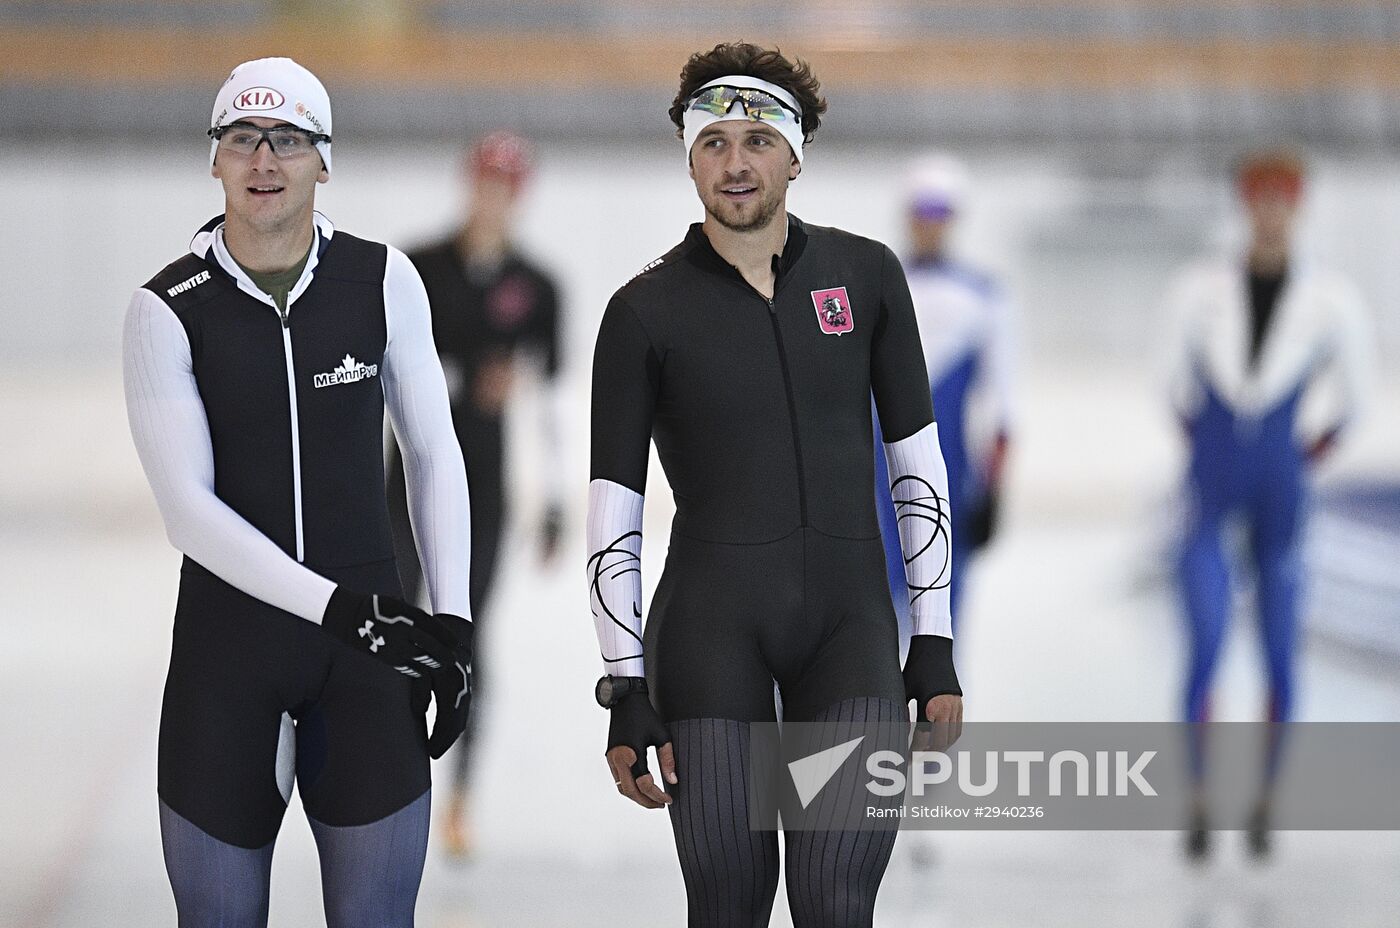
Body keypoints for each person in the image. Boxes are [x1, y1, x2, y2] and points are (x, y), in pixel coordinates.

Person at [585, 43, 964, 927]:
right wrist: (624, 685)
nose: (735, 162)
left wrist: (934, 640)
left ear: (796, 153)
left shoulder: (867, 278)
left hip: (851, 632)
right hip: (710, 638)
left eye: (757, 140)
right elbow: (615, 512)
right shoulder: (643, 312)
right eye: (712, 143)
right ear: (689, 158)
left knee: (836, 901)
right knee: (728, 903)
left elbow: (918, 465)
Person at [122, 57, 474, 927]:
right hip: (227, 663)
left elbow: (434, 451)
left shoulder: (382, 279)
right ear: (215, 160)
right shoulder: (166, 308)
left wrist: (457, 622)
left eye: (288, 139)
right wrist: (344, 610)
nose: (264, 160)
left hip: (370, 663)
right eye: (242, 138)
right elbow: (189, 514)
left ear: (325, 158)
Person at [1164, 147, 1371, 861]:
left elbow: (1357, 400)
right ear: (1245, 204)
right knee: (1205, 639)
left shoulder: (1331, 301)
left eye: (1284, 197)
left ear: (1299, 205)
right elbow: (1173, 387)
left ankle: (1265, 800)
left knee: (1281, 647)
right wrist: (1209, 451)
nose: (1272, 210)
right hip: (1214, 483)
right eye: (1261, 197)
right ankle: (1196, 797)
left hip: (1280, 489)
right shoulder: (1198, 291)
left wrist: (1301, 457)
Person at [385, 129, 563, 858]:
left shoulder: (538, 286)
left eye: (506, 186)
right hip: (406, 481)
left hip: (482, 489)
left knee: (464, 637)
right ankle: (391, 785)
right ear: (469, 184)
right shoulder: (414, 268)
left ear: (519, 196)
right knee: (393, 632)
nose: (493, 197)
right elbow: (374, 370)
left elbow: (549, 399)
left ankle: (459, 797)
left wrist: (553, 499)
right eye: (484, 181)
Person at [874, 154, 1015, 635]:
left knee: (941, 626)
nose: (929, 226)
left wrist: (995, 490)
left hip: (950, 477)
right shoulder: (872, 287)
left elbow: (1003, 403)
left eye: (940, 214)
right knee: (872, 626)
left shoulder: (986, 297)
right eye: (922, 213)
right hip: (874, 478)